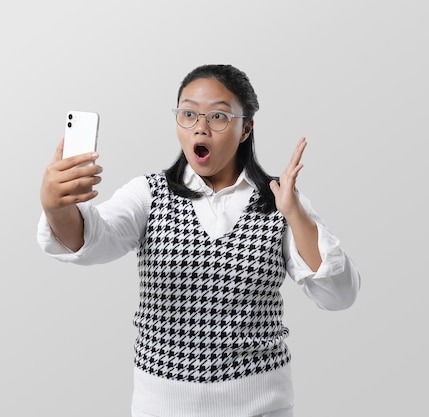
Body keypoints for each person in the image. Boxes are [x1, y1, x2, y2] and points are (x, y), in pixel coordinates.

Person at [38, 64, 361, 417]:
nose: (200, 128)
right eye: (188, 114)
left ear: (245, 128)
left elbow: (339, 295)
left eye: (218, 116)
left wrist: (294, 213)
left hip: (262, 407)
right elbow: (92, 239)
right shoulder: (149, 194)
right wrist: (56, 207)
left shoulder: (279, 199)